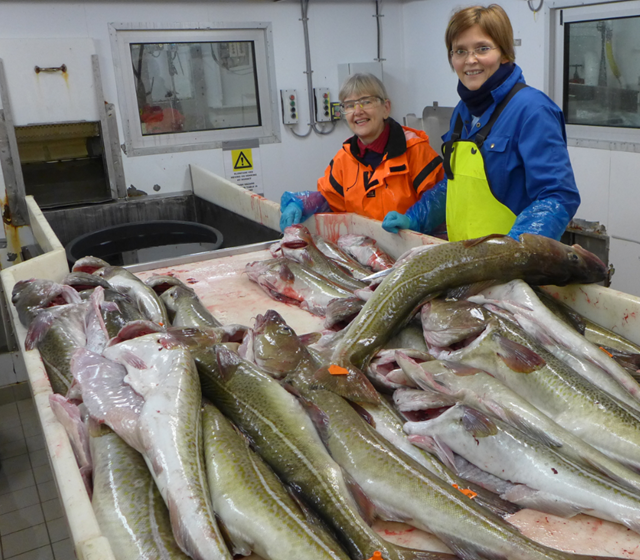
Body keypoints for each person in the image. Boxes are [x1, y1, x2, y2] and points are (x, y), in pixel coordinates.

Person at [382, 4, 580, 242]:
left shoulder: (533, 109)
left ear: (504, 53)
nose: (470, 60)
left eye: (482, 48)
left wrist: (511, 252)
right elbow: (454, 186)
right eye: (460, 51)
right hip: (465, 261)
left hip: (514, 269)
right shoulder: (461, 111)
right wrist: (415, 218)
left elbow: (557, 196)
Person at [279, 73, 444, 231]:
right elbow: (329, 200)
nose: (358, 111)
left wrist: (413, 220)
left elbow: (442, 201)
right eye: (349, 105)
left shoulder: (416, 151)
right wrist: (302, 204)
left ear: (386, 108)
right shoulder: (344, 159)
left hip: (414, 252)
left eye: (366, 102)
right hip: (367, 251)